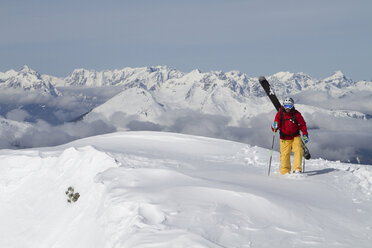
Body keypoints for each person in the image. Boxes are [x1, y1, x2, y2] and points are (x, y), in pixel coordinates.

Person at [271, 97, 309, 174]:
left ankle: (297, 169)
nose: (287, 108)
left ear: (293, 106)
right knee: (285, 155)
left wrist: (305, 134)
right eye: (285, 106)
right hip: (284, 138)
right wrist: (274, 126)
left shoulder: (296, 114)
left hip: (295, 136)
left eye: (290, 106)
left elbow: (302, 125)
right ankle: (285, 171)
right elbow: (276, 125)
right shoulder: (280, 114)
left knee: (298, 150)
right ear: (283, 106)